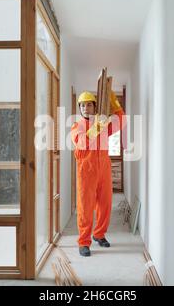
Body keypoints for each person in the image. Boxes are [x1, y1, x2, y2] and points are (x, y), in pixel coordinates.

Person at [70, 90, 126, 257]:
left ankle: (99, 234)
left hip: (103, 168)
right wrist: (98, 126)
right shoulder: (76, 126)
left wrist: (113, 101)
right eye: (82, 105)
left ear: (95, 106)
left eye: (89, 104)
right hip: (86, 171)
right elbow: (83, 142)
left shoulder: (103, 123)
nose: (85, 108)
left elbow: (121, 121)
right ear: (79, 109)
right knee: (85, 207)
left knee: (105, 204)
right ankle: (83, 242)